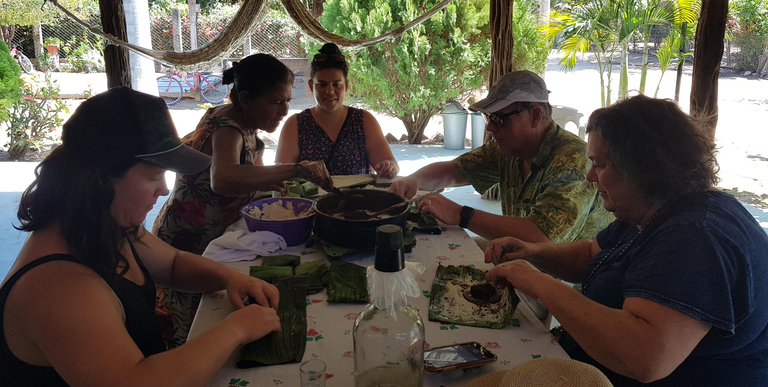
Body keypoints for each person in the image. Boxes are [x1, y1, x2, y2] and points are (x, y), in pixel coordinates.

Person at [0, 87, 282, 387]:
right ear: (99, 180)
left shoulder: (106, 224)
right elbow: (135, 381)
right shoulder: (59, 288)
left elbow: (172, 264)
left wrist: (230, 279)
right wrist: (235, 330)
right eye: (152, 176)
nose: (163, 189)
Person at [485, 95, 768, 386]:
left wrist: (540, 283)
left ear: (642, 168)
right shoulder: (653, 210)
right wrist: (533, 253)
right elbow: (590, 255)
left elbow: (645, 359)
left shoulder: (695, 238)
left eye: (600, 165)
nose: (590, 176)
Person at [153, 53, 332, 347]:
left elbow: (242, 171)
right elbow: (221, 179)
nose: (284, 110)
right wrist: (296, 168)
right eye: (276, 102)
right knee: (188, 326)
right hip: (191, 241)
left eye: (287, 100)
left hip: (208, 235)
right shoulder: (227, 129)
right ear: (246, 98)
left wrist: (265, 181)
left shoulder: (242, 121)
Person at [390, 70, 612, 244]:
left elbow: (542, 238)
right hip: (526, 256)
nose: (490, 128)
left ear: (534, 115)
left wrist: (462, 214)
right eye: (489, 117)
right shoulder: (509, 148)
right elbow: (455, 171)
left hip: (572, 278)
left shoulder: (572, 161)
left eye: (499, 118)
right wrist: (414, 180)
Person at [276, 43, 399, 178]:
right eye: (322, 85)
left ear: (346, 86)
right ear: (311, 86)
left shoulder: (364, 120)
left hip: (358, 198)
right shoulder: (295, 125)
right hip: (309, 199)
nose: (330, 91)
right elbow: (280, 174)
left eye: (336, 84)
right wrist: (297, 170)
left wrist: (389, 166)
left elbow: (390, 162)